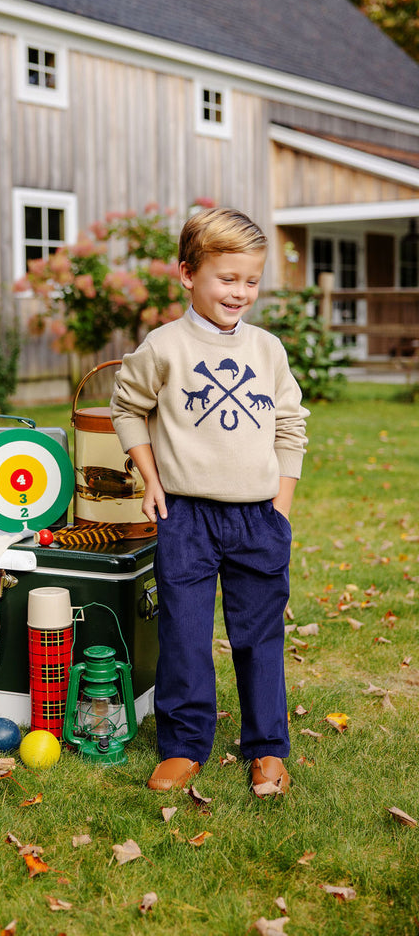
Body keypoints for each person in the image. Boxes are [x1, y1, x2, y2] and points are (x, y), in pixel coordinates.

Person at [110, 207, 308, 796]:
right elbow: (127, 406)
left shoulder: (268, 350)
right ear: (187, 274)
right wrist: (149, 478)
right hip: (186, 516)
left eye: (250, 280)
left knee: (259, 635)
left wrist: (281, 505)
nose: (239, 292)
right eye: (226, 278)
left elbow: (290, 425)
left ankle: (267, 746)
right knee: (186, 635)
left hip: (258, 516)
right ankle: (183, 744)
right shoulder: (164, 346)